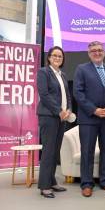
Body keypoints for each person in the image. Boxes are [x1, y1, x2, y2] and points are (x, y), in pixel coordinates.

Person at [73, 41, 105, 197]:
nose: (97, 53)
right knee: (87, 152)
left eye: (100, 50)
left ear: (104, 52)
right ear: (89, 53)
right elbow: (78, 93)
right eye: (93, 51)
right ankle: (86, 183)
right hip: (88, 119)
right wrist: (94, 110)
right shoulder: (81, 69)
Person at [37, 46, 71, 198]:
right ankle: (44, 186)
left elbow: (67, 95)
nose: (58, 58)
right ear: (49, 58)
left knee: (55, 151)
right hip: (49, 116)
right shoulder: (43, 72)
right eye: (55, 56)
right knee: (48, 151)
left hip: (62, 117)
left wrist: (68, 109)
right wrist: (59, 110)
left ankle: (51, 181)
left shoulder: (62, 75)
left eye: (60, 56)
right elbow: (44, 95)